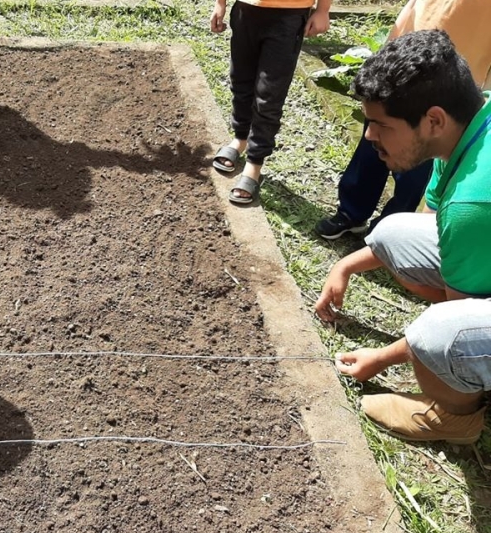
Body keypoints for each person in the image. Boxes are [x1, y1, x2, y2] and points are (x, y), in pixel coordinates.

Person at [315, 30, 491, 444]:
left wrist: (379, 359)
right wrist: (345, 265)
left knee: (439, 333)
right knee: (391, 232)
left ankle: (454, 417)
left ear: (433, 120)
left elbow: (451, 323)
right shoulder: (468, 131)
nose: (369, 136)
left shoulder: (471, 206)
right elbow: (432, 225)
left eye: (379, 125)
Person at [315, 0, 491, 239]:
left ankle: (389, 231)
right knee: (371, 148)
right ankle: (351, 213)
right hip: (400, 70)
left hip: (448, 89)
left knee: (413, 171)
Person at [210, 0, 331, 204]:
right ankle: (240, 139)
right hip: (245, 10)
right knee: (240, 80)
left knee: (269, 94)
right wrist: (220, 3)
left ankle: (254, 164)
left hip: (289, 16)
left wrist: (323, 10)